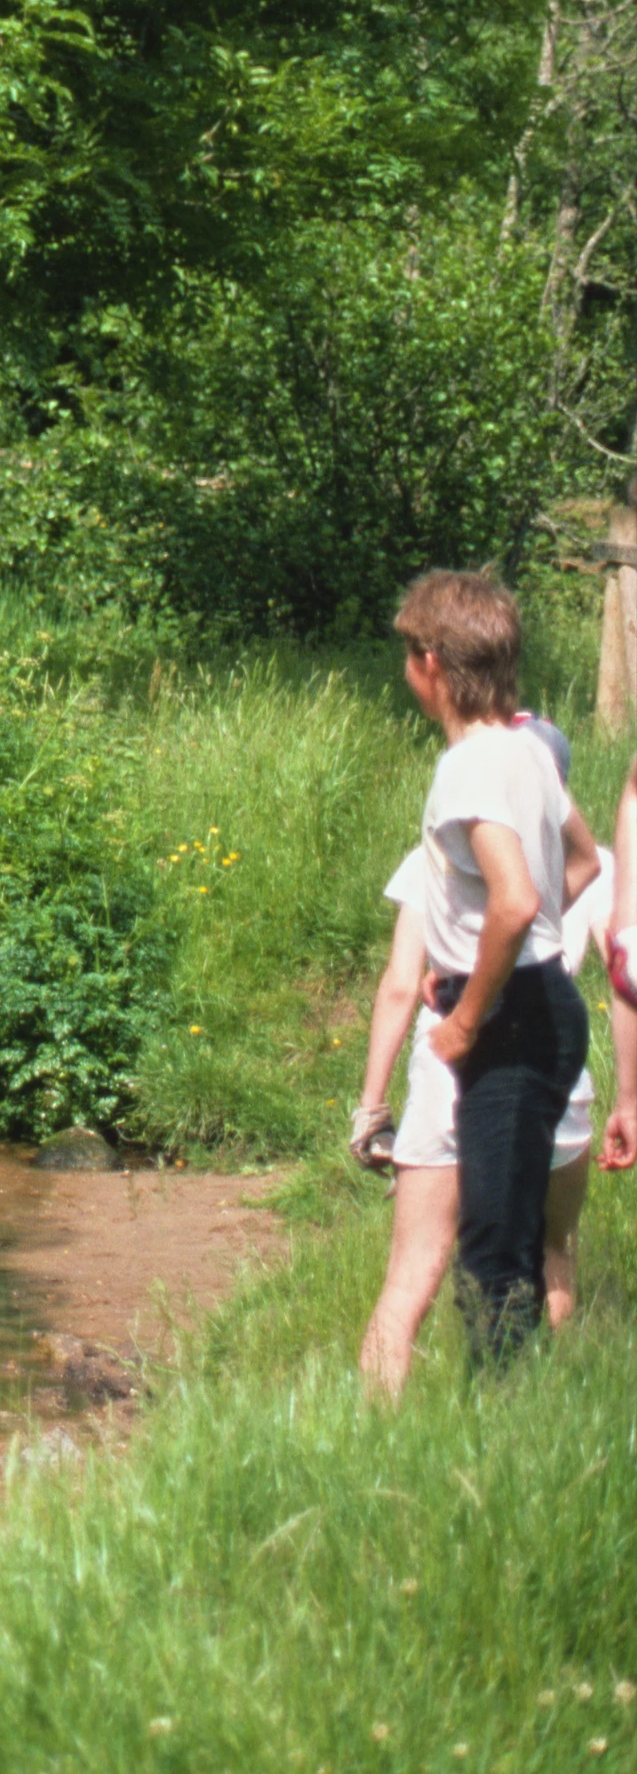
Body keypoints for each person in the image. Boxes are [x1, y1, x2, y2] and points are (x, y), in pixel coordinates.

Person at [353, 712, 612, 1395]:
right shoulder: (595, 861)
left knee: (412, 1275)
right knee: (548, 1250)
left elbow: (402, 984)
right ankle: (527, 1412)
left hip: (456, 1062)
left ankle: (378, 1432)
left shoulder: (443, 850)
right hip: (557, 1074)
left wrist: (371, 1106)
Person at [393, 571, 590, 1360]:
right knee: (508, 1236)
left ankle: (501, 1430)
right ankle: (513, 1417)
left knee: (493, 1253)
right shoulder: (526, 749)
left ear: (432, 662)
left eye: (409, 653)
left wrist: (468, 1014)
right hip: (543, 1004)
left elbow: (513, 901)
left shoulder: (469, 767)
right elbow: (580, 863)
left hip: (506, 1024)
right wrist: (510, 957)